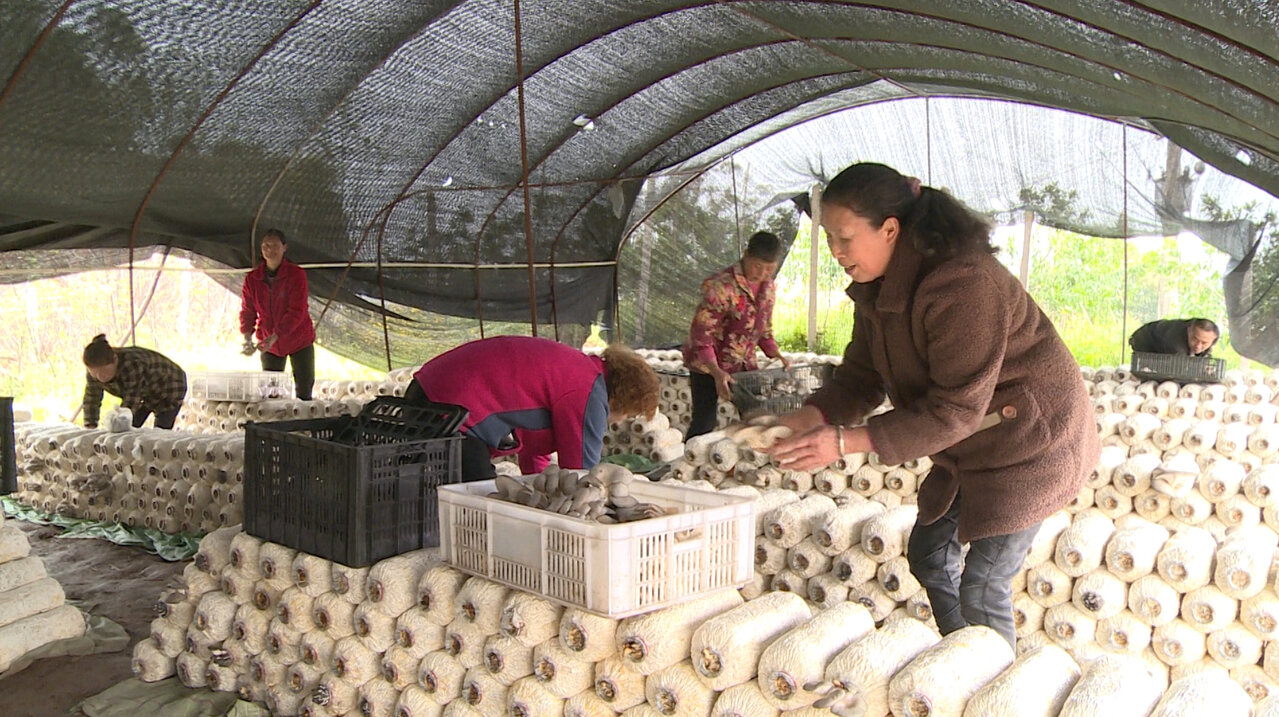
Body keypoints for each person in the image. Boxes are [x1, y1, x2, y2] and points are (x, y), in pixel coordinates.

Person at [768, 163, 1099, 652]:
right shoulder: (878, 289)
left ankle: (998, 695)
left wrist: (844, 442)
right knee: (929, 554)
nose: (835, 252)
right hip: (972, 442)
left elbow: (956, 410)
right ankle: (964, 659)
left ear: (890, 230)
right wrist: (808, 417)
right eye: (828, 239)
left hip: (1030, 442)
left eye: (844, 238)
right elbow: (862, 377)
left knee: (984, 584)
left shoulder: (963, 283)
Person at [406, 336, 660, 480]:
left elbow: (533, 448)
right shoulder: (589, 392)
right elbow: (580, 475)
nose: (619, 421)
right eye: (628, 413)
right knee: (480, 503)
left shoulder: (577, 372)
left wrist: (538, 486)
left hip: (427, 390)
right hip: (450, 410)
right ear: (622, 397)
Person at [682, 230, 790, 440]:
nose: (763, 273)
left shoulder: (768, 288)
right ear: (746, 255)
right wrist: (715, 372)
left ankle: (750, 463)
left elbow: (764, 329)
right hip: (707, 365)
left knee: (757, 416)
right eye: (758, 266)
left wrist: (777, 354)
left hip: (744, 364)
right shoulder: (721, 287)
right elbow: (701, 336)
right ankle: (686, 464)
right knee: (705, 421)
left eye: (770, 268)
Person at [239, 228, 316, 400]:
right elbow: (248, 310)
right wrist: (246, 337)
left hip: (298, 339)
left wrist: (277, 334)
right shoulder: (252, 279)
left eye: (275, 246)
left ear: (284, 248)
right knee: (271, 394)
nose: (270, 250)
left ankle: (303, 425)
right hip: (269, 344)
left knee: (304, 391)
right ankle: (275, 425)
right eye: (266, 246)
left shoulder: (296, 275)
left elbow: (297, 310)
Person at [81, 334, 187, 430]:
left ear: (115, 359)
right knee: (128, 427)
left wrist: (118, 426)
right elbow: (91, 398)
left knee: (159, 431)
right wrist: (90, 425)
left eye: (104, 373)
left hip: (169, 385)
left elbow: (131, 402)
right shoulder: (94, 371)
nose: (100, 378)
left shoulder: (132, 365)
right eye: (95, 374)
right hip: (144, 392)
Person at [1129, 317, 1218, 357]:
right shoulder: (1176, 344)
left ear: (1213, 342)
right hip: (1144, 340)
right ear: (1189, 330)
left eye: (1204, 343)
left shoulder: (1206, 340)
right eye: (1194, 338)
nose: (1198, 345)